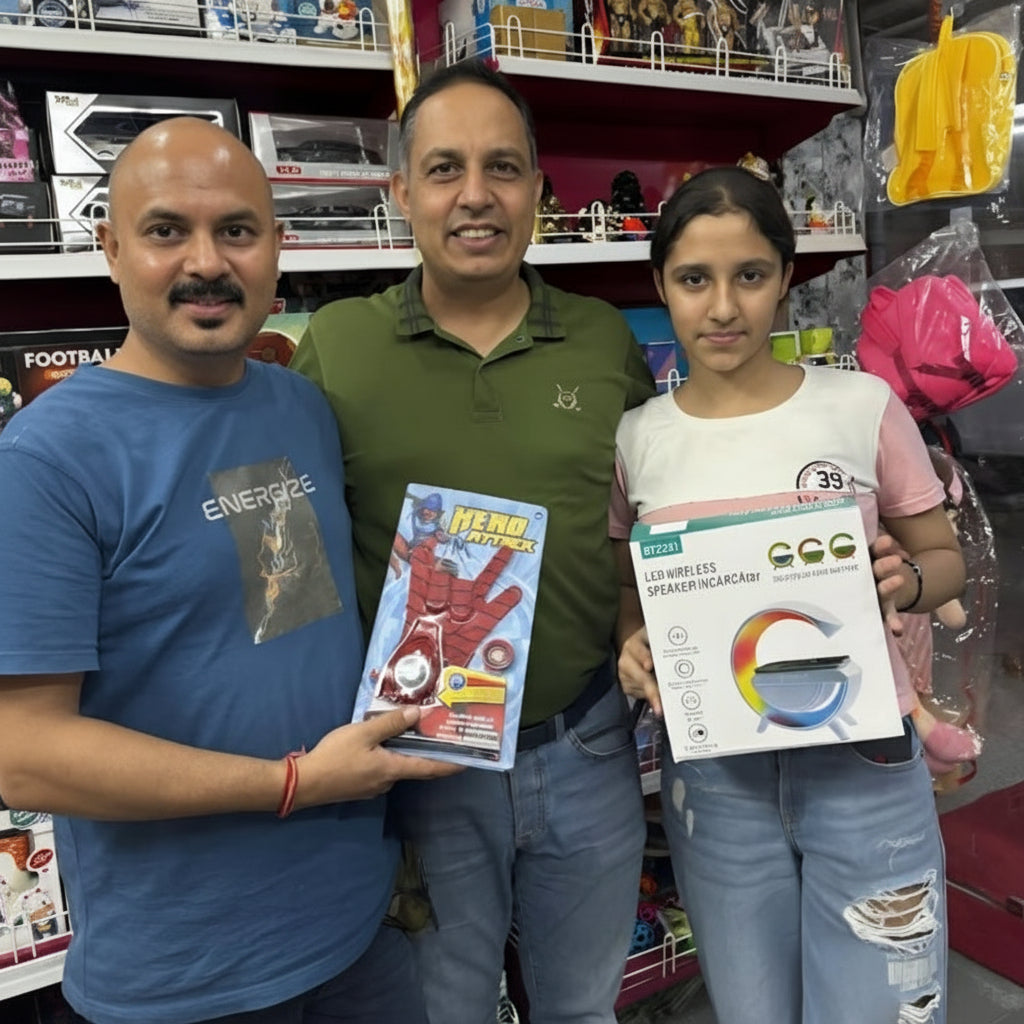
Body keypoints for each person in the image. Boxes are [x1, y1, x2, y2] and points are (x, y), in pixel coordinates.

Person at [0, 116, 458, 1024]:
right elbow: (24, 756)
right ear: (111, 249)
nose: (206, 262)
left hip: (357, 927)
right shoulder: (47, 458)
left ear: (277, 246)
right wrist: (293, 783)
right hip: (189, 973)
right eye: (167, 230)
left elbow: (282, 609)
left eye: (237, 230)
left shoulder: (300, 407)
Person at [290, 60, 655, 1023]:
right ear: (401, 192)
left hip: (586, 741)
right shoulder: (338, 345)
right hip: (422, 761)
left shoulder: (602, 340)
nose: (476, 195)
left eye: (503, 167)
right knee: (444, 1011)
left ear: (538, 188)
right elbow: (292, 554)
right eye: (444, 169)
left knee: (583, 1007)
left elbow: (646, 521)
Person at [611, 165, 965, 1024]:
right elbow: (630, 588)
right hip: (717, 779)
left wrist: (909, 580)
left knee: (884, 1003)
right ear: (660, 285)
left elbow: (943, 558)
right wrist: (631, 643)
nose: (722, 307)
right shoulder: (639, 437)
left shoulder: (860, 406)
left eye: (749, 275)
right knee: (753, 1005)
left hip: (864, 762)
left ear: (785, 277)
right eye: (694, 279)